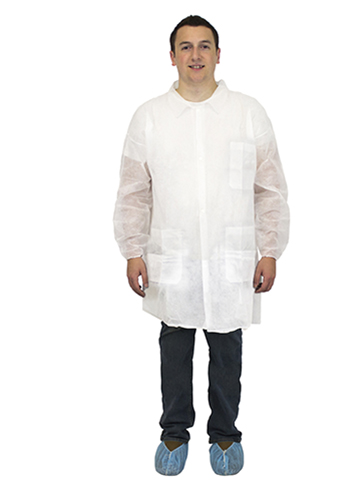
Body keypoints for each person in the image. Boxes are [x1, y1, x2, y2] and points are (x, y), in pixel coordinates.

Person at [113, 15, 290, 476]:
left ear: (218, 54)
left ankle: (226, 433)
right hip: (173, 259)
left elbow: (269, 188)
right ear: (172, 57)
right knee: (174, 350)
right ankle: (174, 432)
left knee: (227, 352)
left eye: (204, 45)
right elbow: (134, 191)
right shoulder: (150, 117)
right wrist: (133, 249)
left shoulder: (247, 113)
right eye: (186, 47)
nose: (196, 55)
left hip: (231, 258)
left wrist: (269, 249)